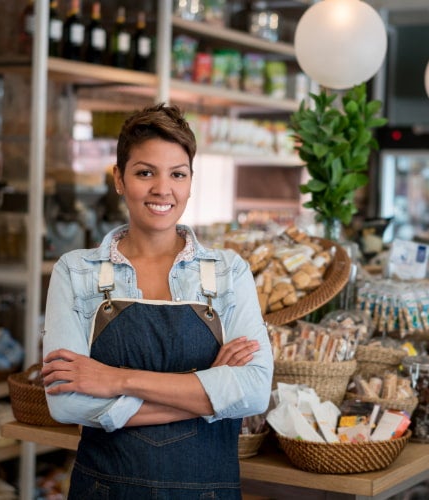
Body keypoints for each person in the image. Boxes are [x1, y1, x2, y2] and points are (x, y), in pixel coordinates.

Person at [41, 103, 273, 499]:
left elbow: (252, 391)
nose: (162, 189)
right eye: (145, 172)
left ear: (190, 182)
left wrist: (115, 379)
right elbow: (66, 403)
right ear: (119, 178)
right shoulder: (75, 271)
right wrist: (208, 395)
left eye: (177, 174)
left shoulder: (227, 272)